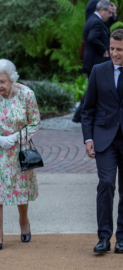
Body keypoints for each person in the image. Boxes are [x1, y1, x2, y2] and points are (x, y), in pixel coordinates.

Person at [0, 59, 40, 250]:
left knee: (20, 191)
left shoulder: (26, 94)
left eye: (3, 82)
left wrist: (17, 136)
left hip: (20, 150)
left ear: (12, 80)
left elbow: (34, 122)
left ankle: (23, 220)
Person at [81, 28, 123, 254]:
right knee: (106, 185)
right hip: (104, 139)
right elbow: (88, 109)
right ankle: (104, 237)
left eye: (120, 49)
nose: (114, 53)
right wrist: (88, 138)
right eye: (113, 48)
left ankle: (122, 238)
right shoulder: (98, 71)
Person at [73, 0, 114, 123]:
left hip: (92, 62)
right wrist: (104, 50)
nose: (110, 16)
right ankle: (79, 115)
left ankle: (80, 115)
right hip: (94, 62)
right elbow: (92, 38)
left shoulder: (93, 20)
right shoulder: (96, 22)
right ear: (102, 10)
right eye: (109, 13)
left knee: (93, 89)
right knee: (92, 90)